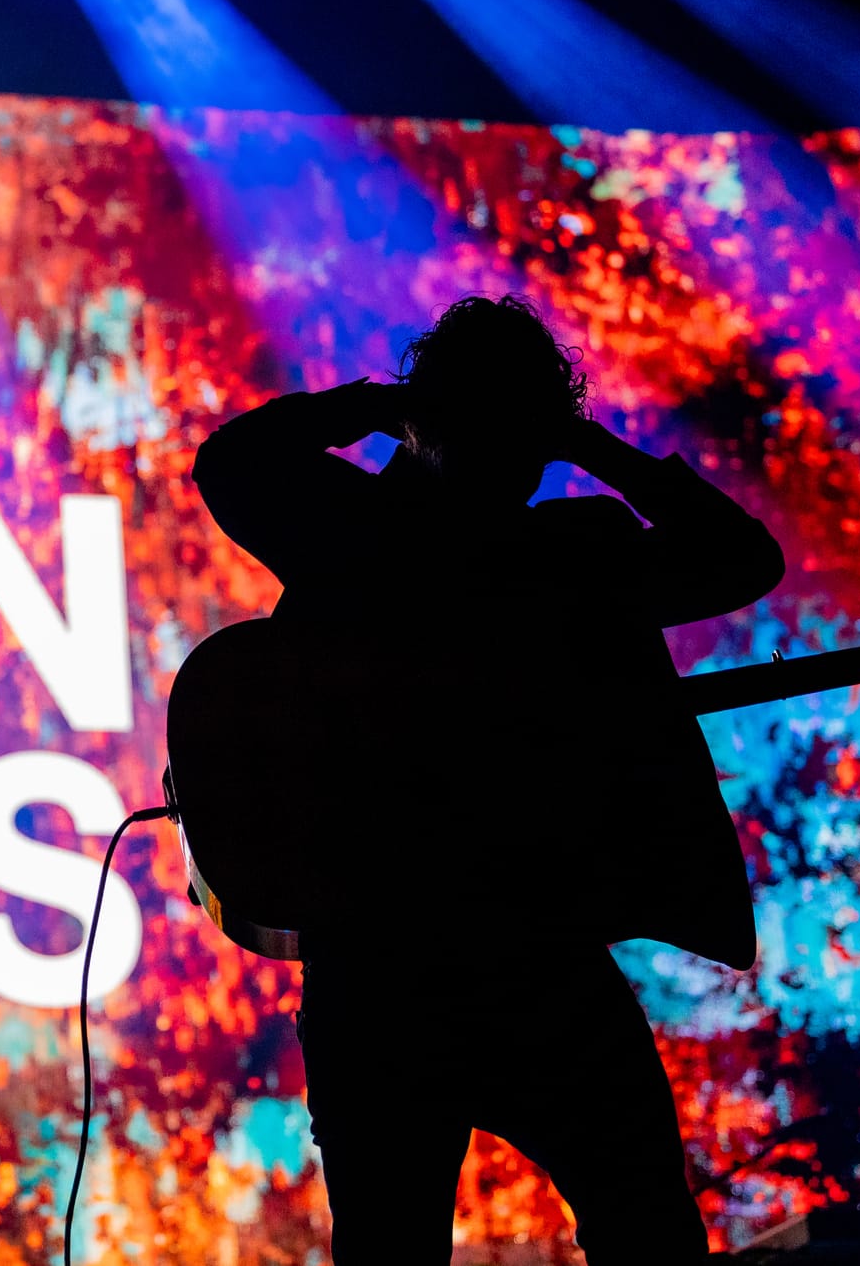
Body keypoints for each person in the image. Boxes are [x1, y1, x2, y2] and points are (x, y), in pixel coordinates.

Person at [188, 294, 785, 1264]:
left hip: (480, 961)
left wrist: (567, 447)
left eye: (527, 435)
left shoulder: (526, 545)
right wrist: (408, 410)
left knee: (624, 1226)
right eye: (497, 428)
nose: (511, 458)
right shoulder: (373, 528)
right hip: (441, 961)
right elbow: (227, 464)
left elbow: (743, 561)